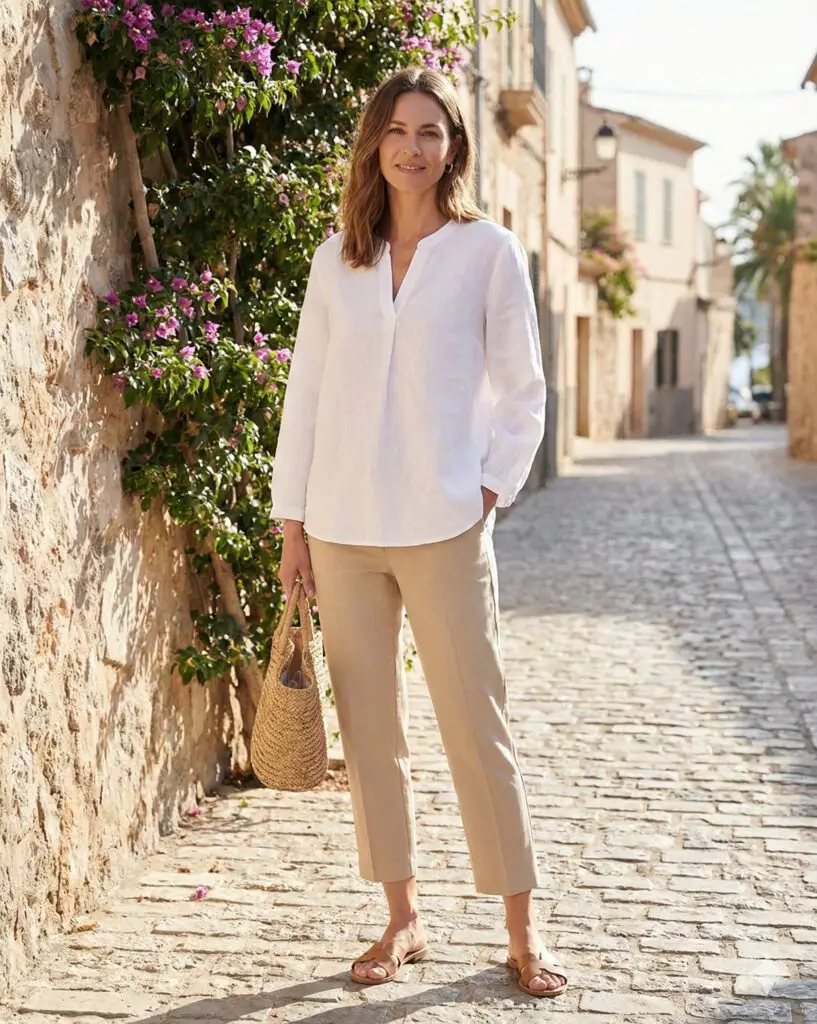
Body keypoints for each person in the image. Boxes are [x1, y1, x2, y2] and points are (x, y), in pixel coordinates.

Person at [270, 66, 565, 999]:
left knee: (476, 725)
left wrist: (487, 488)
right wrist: (293, 523)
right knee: (371, 732)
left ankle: (521, 925)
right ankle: (400, 918)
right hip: (345, 524)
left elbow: (523, 390)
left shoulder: (488, 252)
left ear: (452, 147)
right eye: (396, 130)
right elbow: (304, 396)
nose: (412, 147)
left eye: (430, 131)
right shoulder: (336, 260)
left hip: (443, 521)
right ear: (373, 144)